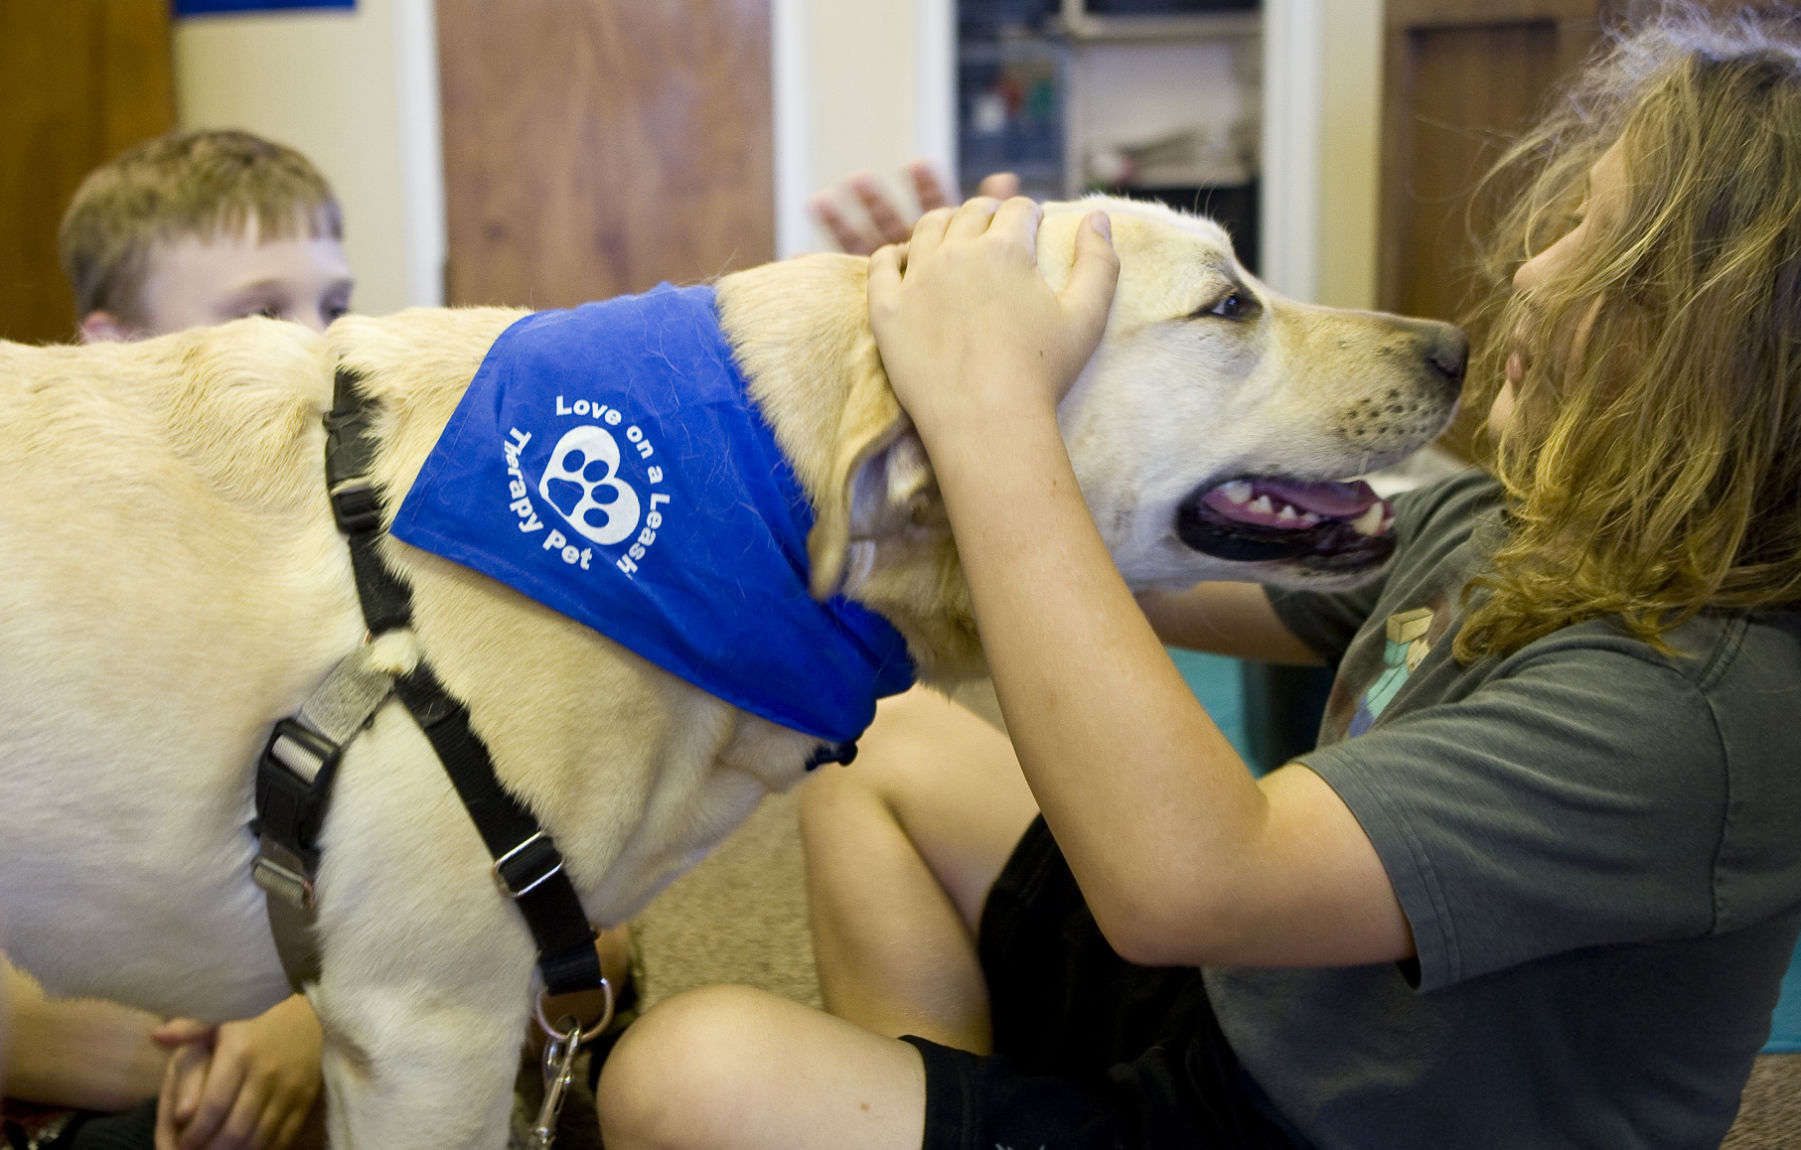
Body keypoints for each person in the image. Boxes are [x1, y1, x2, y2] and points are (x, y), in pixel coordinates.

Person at [593, 5, 1801, 1149]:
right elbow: (1123, 573)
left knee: (673, 1078)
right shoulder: (1516, 522)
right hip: (1256, 1007)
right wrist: (972, 387)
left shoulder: (1694, 710)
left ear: (1743, 365)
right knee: (891, 750)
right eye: (1570, 221)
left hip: (1301, 1121)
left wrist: (994, 417)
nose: (1536, 272)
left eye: (1612, 255)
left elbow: (1186, 881)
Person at [3, 128, 352, 1150]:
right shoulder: (42, 595)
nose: (324, 346)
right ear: (113, 353)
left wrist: (318, 1024)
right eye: (259, 311)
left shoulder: (374, 563)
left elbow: (587, 917)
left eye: (333, 305)